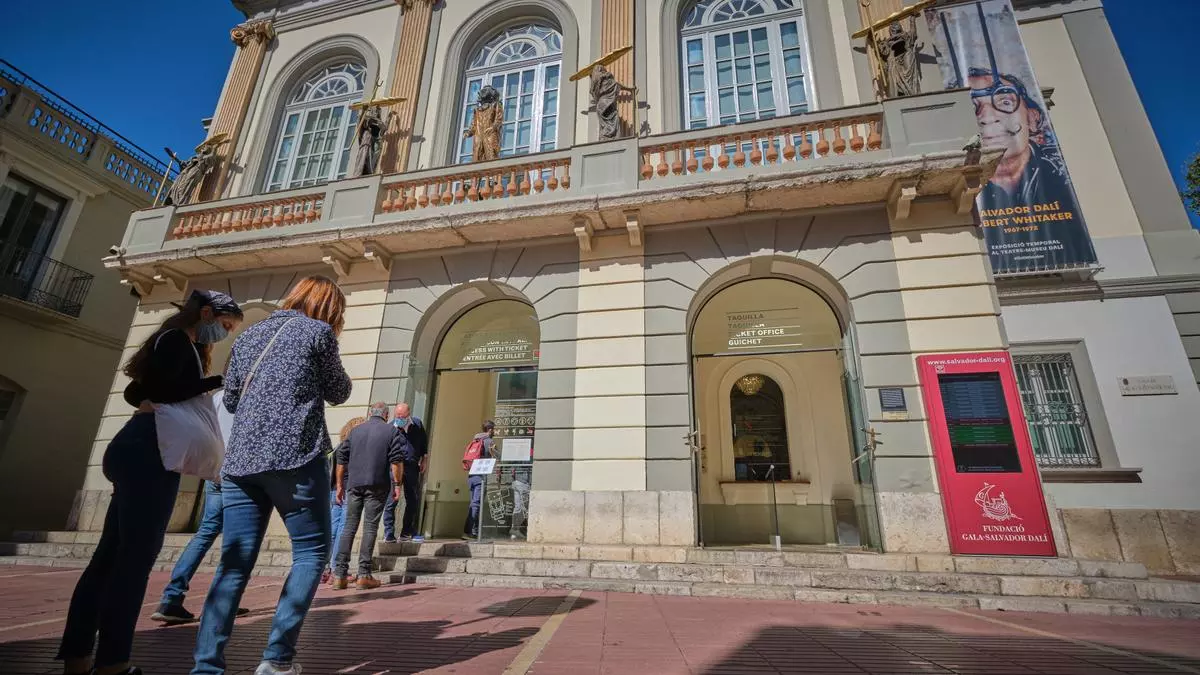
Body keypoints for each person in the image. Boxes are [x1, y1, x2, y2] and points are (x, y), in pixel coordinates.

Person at [57, 290, 242, 675]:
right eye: (224, 325)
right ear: (206, 313)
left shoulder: (170, 342)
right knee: (133, 563)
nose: (224, 334)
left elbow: (137, 391)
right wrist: (217, 381)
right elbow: (161, 391)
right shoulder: (177, 340)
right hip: (151, 453)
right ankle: (113, 663)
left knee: (108, 559)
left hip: (137, 446)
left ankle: (78, 657)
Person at [191, 275, 352, 675]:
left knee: (233, 563)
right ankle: (277, 659)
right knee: (311, 553)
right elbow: (339, 392)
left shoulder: (249, 335)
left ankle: (206, 666)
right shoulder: (318, 333)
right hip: (295, 457)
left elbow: (231, 399)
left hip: (241, 463)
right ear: (329, 308)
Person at [150, 387, 249, 625]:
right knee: (238, 538)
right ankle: (222, 602)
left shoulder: (216, 397)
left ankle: (171, 597)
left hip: (215, 470)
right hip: (239, 471)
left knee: (205, 532)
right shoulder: (254, 393)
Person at [331, 402, 408, 589]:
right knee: (370, 528)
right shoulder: (391, 432)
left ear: (370, 413)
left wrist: (340, 485)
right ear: (386, 415)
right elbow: (396, 461)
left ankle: (339, 575)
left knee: (349, 527)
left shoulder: (355, 431)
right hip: (377, 485)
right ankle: (364, 574)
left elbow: (341, 457)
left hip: (354, 485)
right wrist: (397, 484)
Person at [322, 416, 365, 585]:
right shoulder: (353, 449)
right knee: (343, 529)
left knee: (332, 530)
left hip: (334, 491)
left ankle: (324, 569)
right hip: (347, 490)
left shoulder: (338, 447)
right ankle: (336, 569)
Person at [383, 402, 428, 542]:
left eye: (402, 416)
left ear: (408, 414)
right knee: (392, 500)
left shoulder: (417, 424)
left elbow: (423, 444)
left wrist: (424, 459)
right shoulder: (390, 428)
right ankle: (389, 532)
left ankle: (406, 532)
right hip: (395, 467)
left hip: (411, 466)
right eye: (397, 416)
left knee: (412, 499)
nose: (399, 419)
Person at [463, 420, 495, 540]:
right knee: (476, 504)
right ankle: (469, 532)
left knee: (474, 503)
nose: (495, 432)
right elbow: (497, 456)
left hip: (472, 475)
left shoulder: (475, 440)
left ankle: (473, 532)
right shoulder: (489, 441)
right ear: (490, 430)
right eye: (494, 430)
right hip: (481, 476)